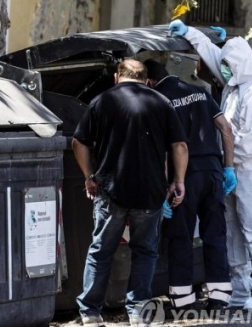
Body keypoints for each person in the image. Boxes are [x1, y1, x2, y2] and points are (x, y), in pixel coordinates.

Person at [168, 19, 252, 311]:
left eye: (228, 66)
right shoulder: (236, 83)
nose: (222, 71)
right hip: (232, 170)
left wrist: (228, 162)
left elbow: (251, 139)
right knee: (232, 231)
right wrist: (194, 34)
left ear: (240, 64)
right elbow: (215, 56)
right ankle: (241, 290)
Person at [72, 58, 189, 327]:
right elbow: (179, 146)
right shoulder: (161, 102)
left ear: (117, 77)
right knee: (146, 252)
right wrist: (178, 180)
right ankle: (137, 311)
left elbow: (79, 142)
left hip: (111, 189)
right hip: (150, 192)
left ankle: (90, 312)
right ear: (146, 80)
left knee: (101, 250)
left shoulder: (102, 101)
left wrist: (89, 176)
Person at [144, 59, 236, 311]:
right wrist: (228, 167)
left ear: (149, 81)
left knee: (181, 236)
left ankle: (183, 301)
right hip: (214, 172)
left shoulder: (158, 100)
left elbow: (166, 149)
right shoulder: (200, 92)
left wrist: (165, 186)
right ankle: (220, 297)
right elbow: (226, 129)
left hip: (183, 176)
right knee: (215, 234)